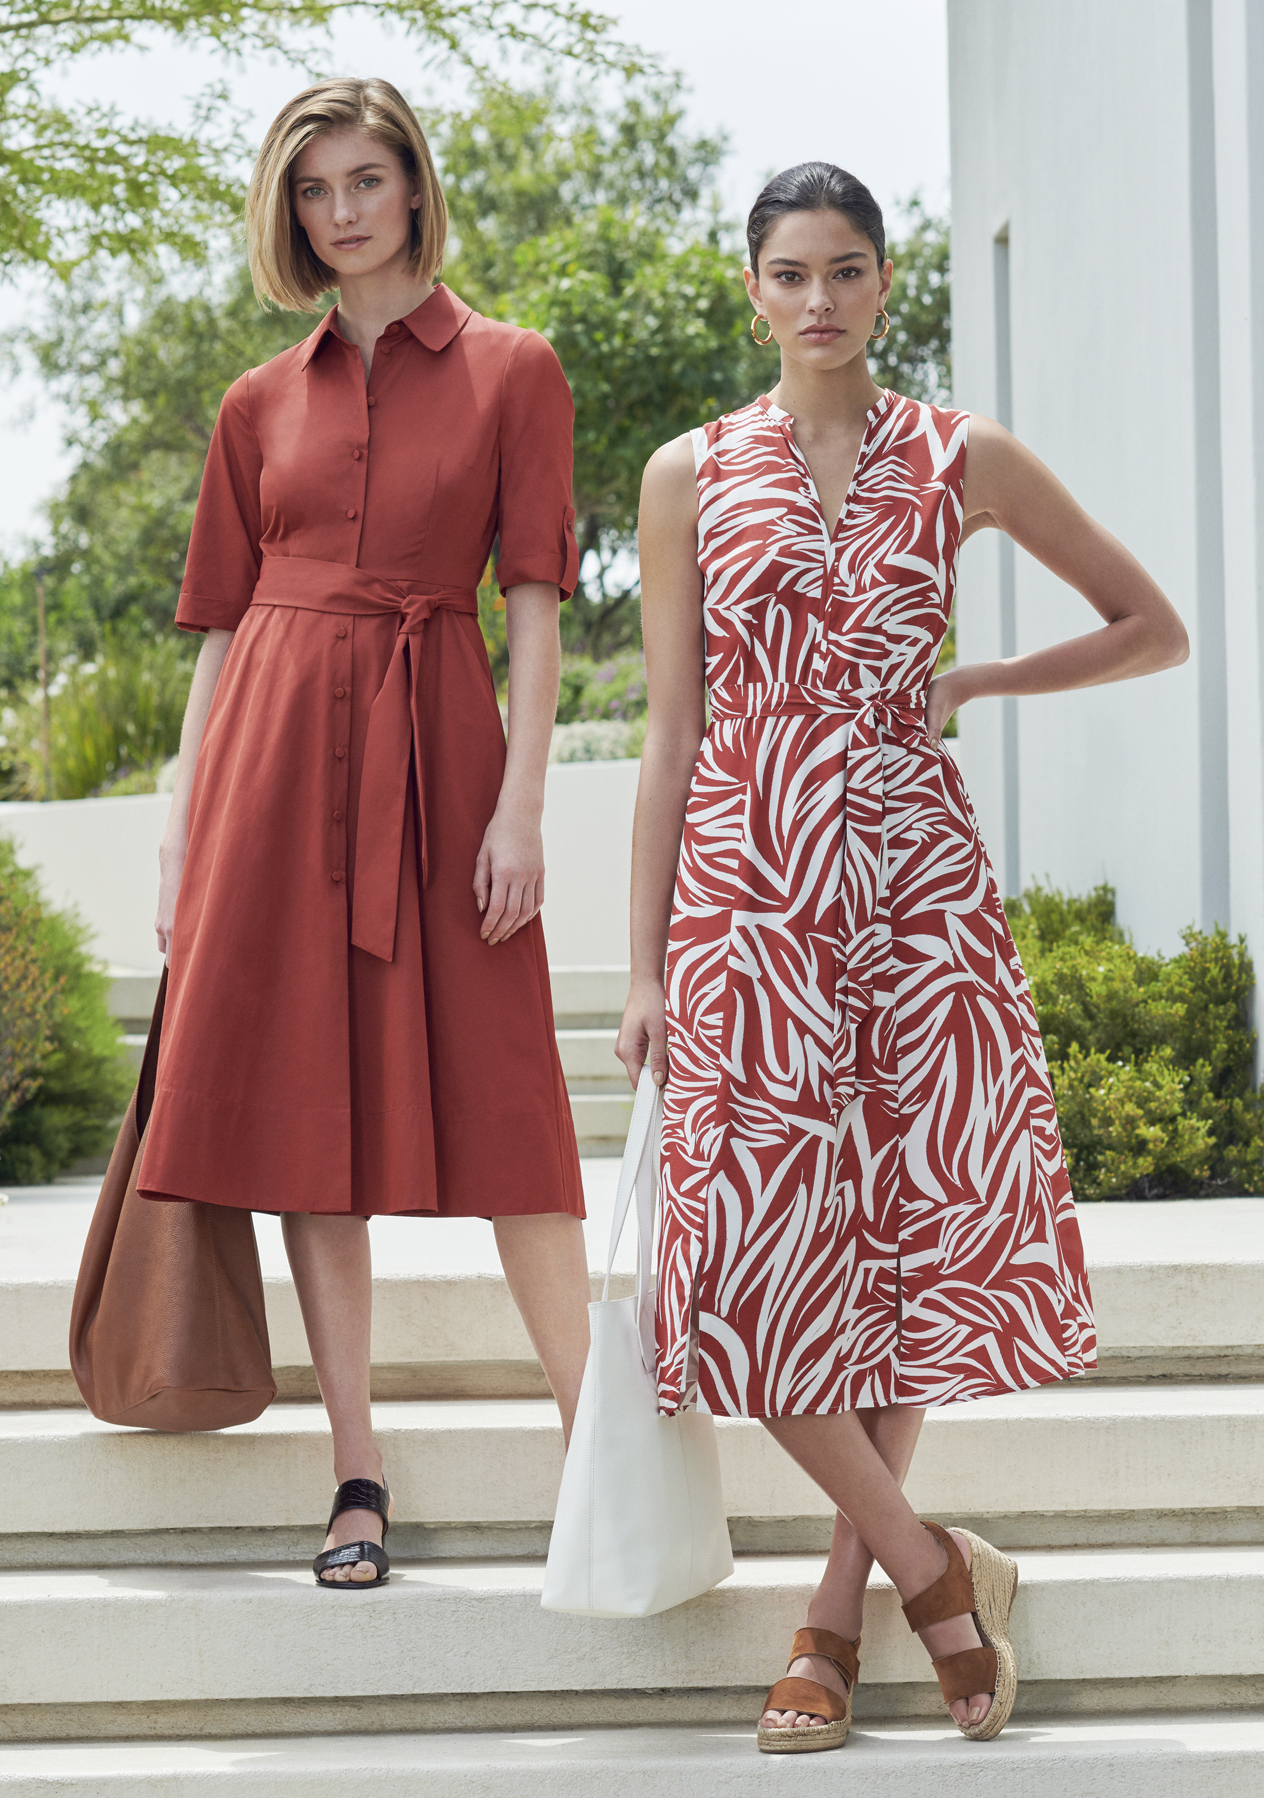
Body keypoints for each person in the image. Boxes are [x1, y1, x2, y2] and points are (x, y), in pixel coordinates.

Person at [618, 162, 1188, 1751]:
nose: (818, 300)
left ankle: (824, 1618)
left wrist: (980, 677)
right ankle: (941, 1576)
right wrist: (650, 960)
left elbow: (1153, 624)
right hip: (748, 891)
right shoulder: (689, 473)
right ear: (752, 291)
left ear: (885, 285)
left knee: (913, 1245)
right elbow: (671, 736)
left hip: (917, 893)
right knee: (748, 1264)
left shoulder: (962, 456)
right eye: (789, 273)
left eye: (847, 270)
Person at [142, 77, 591, 1588]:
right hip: (267, 764)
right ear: (291, 211)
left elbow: (530, 603)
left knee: (513, 1105)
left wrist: (522, 800)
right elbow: (217, 630)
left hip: (441, 753)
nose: (341, 210)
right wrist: (178, 828)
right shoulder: (253, 402)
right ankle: (356, 1468)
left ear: (414, 188)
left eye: (366, 180)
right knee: (306, 1133)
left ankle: (597, 1441)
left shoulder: (517, 368)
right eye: (314, 187)